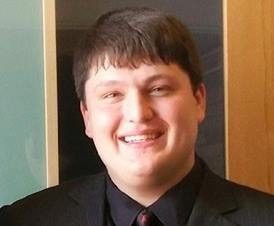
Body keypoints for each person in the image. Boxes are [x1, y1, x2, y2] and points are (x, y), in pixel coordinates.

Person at [1, 7, 273, 226]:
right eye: (112, 94)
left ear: (199, 100)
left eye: (158, 89)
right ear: (87, 117)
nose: (138, 113)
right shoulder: (21, 220)